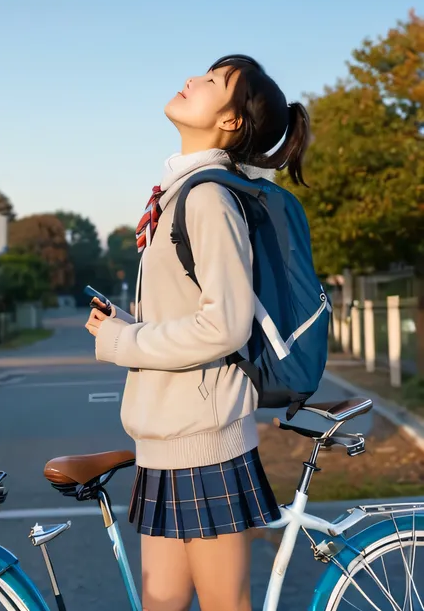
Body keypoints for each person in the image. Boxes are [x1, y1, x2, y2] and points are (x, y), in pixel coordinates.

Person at [85, 55, 310, 611]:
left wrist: (123, 343)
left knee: (223, 604)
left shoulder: (208, 198)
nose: (191, 80)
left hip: (204, 442)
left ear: (231, 122)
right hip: (164, 439)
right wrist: (127, 325)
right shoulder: (179, 195)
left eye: (212, 82)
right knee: (163, 603)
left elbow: (225, 325)